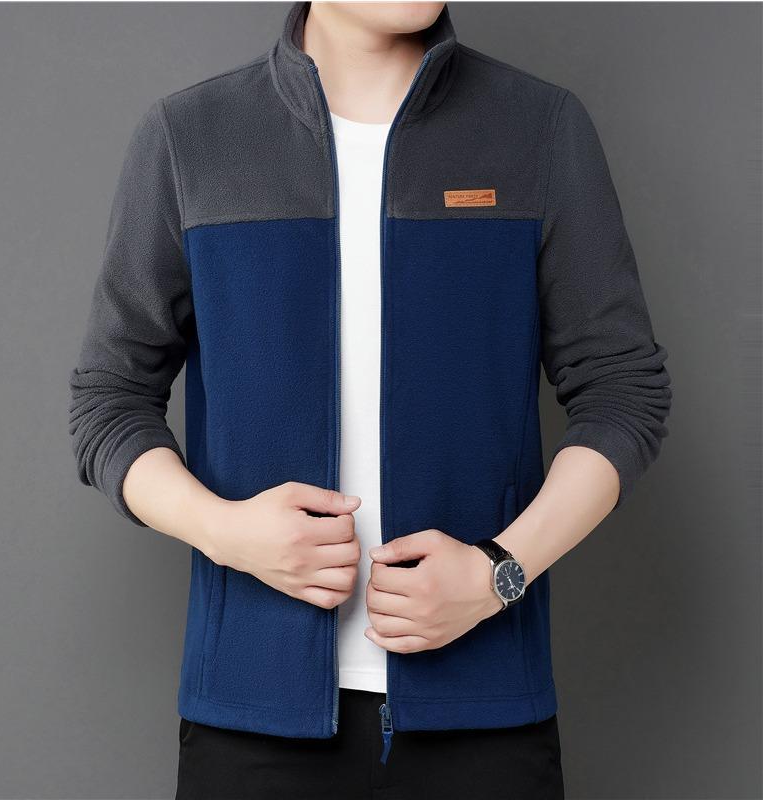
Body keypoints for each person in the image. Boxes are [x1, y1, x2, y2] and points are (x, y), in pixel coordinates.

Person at [68, 2, 672, 798]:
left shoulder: (538, 128)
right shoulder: (191, 137)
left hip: (485, 720)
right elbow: (109, 400)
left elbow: (623, 390)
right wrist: (226, 532)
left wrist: (498, 573)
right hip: (250, 726)